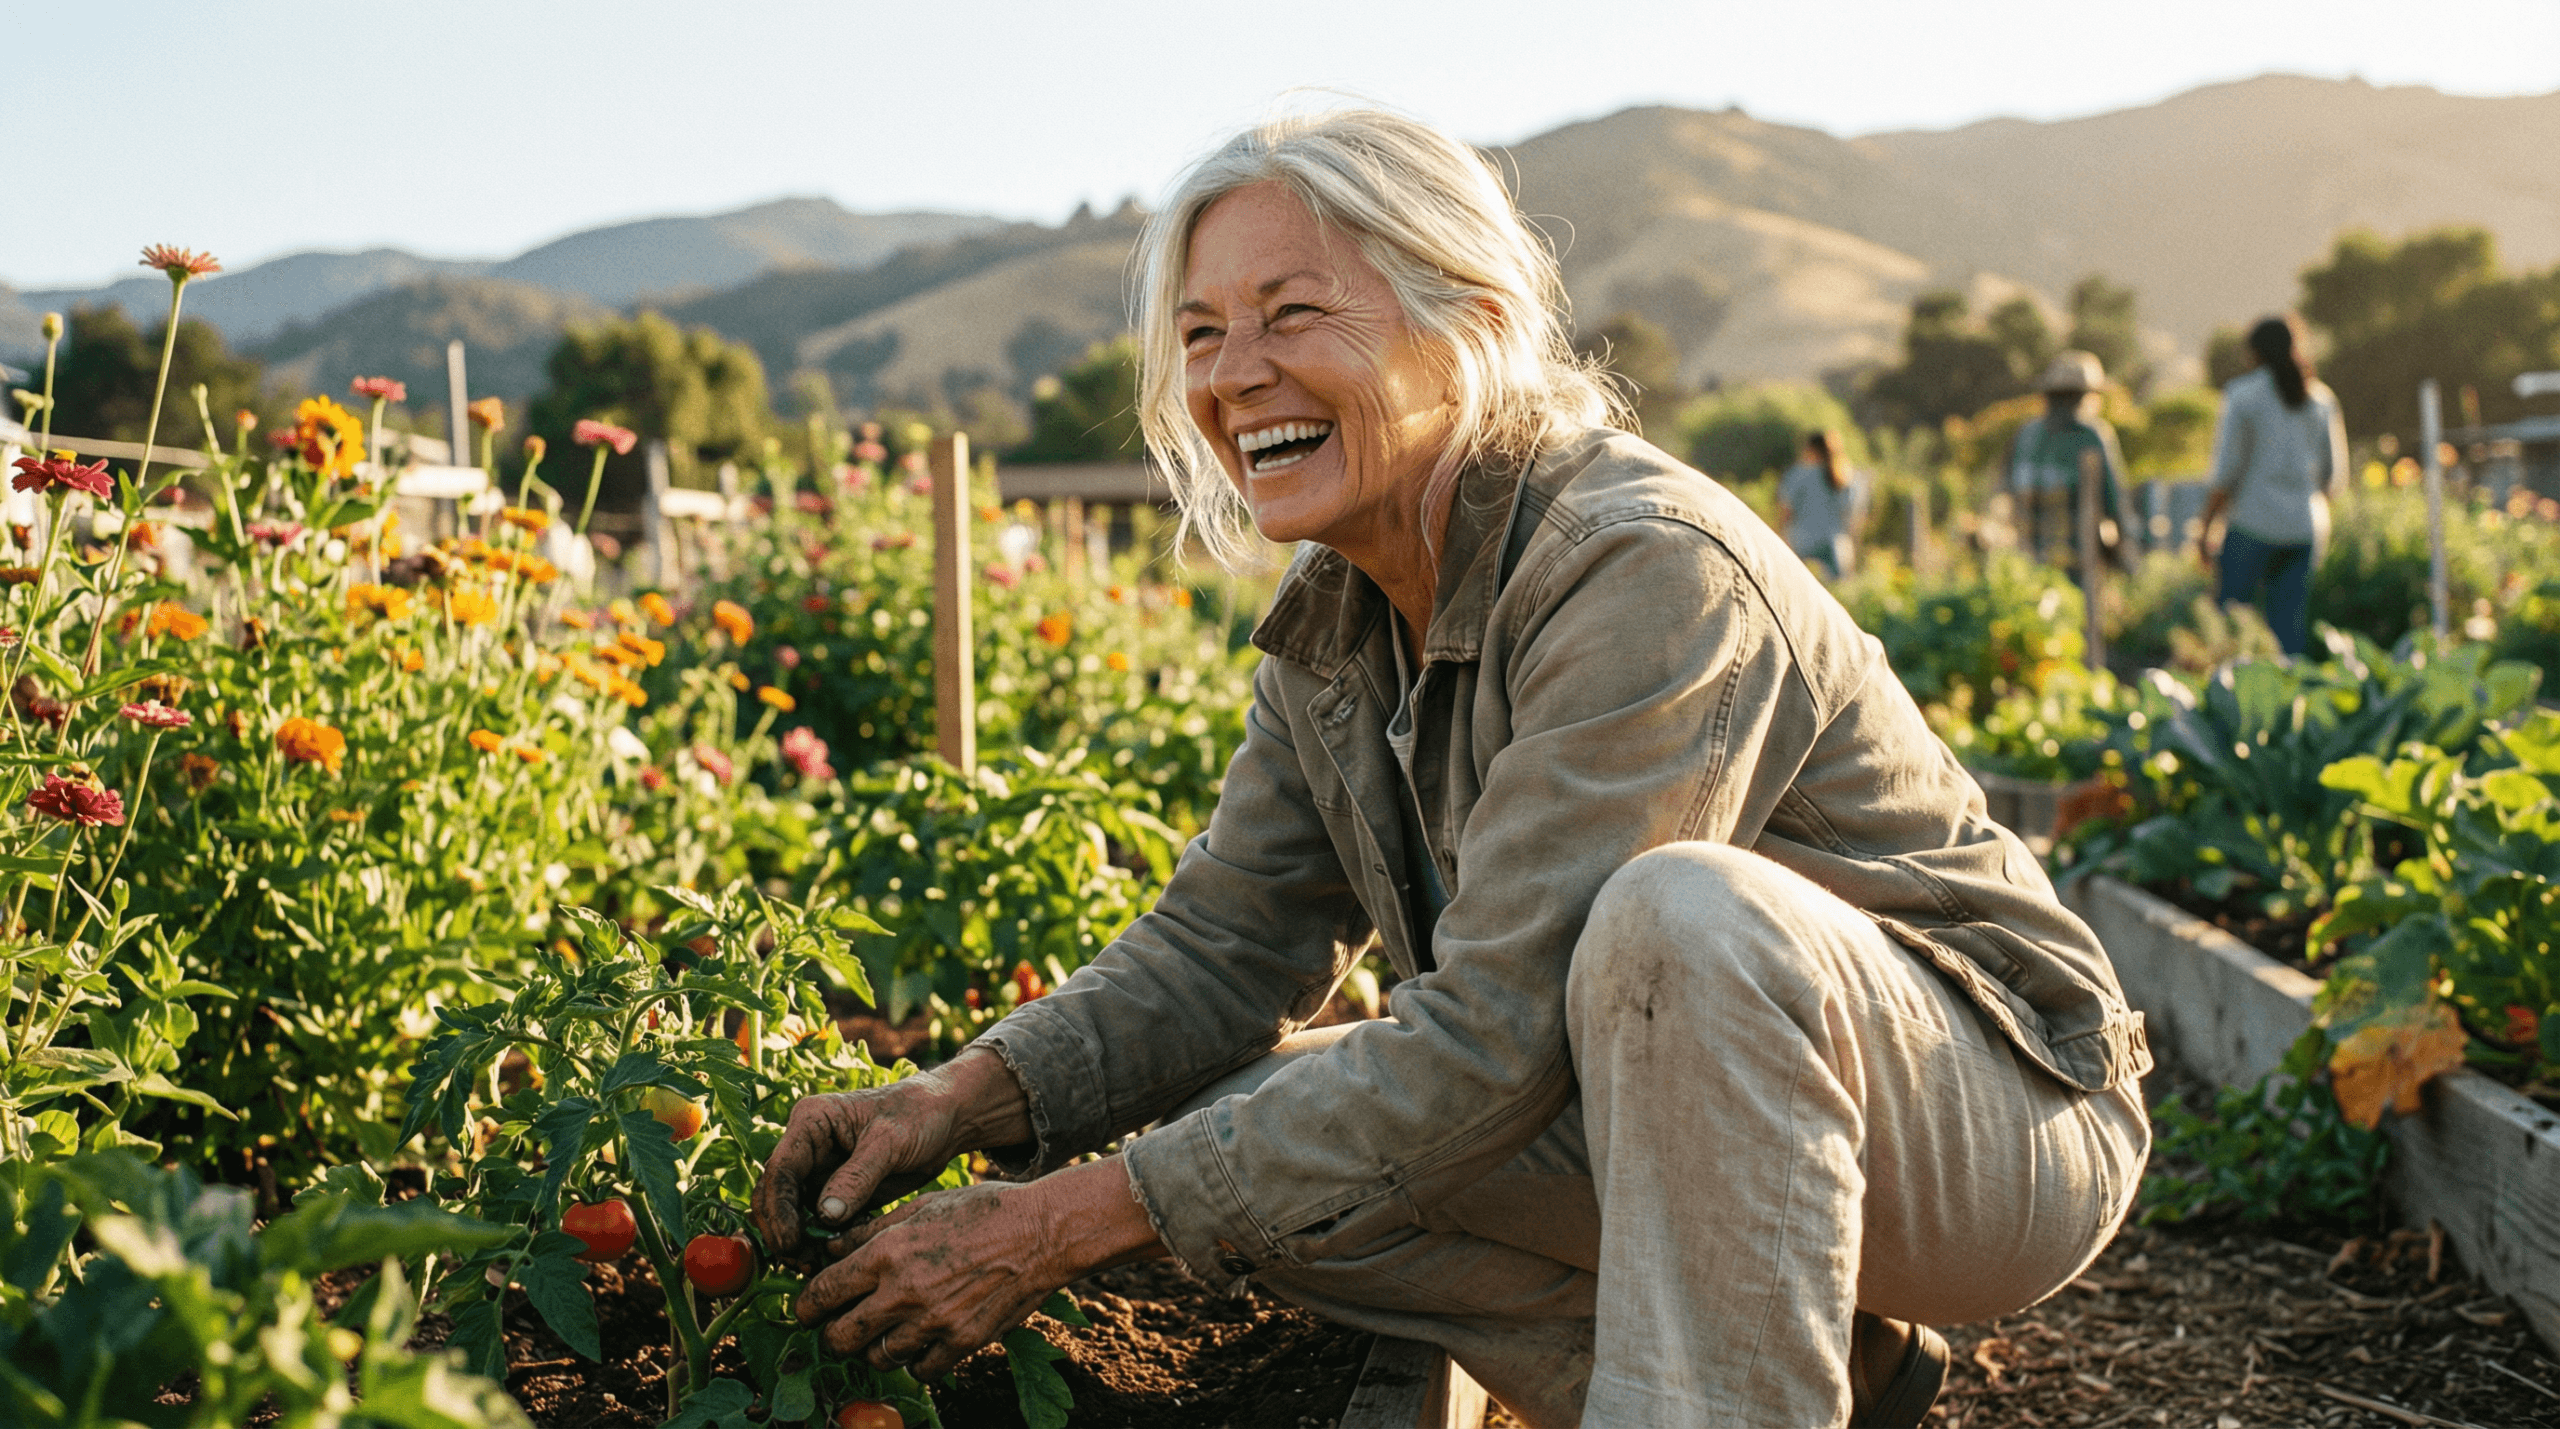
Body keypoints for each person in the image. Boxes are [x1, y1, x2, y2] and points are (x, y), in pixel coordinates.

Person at [753, 110, 2151, 1428]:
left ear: (1469, 325)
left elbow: (1496, 1036)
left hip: (1992, 1115)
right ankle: (1818, 1366)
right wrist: (954, 1098)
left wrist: (1054, 1222)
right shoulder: (1336, 620)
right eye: (1202, 333)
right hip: (1679, 1107)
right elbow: (1223, 948)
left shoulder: (1640, 568)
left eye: (1292, 313)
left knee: (1680, 920)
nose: (1233, 375)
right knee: (1223, 1129)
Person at [2199, 315, 2347, 655]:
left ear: (2255, 353)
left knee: (2232, 626)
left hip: (2251, 524)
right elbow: (2334, 479)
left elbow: (2227, 472)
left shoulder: (2243, 395)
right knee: (2288, 631)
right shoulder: (2320, 399)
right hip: (2304, 528)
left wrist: (2206, 527)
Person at [2005, 351, 2129, 573]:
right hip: (2076, 563)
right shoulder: (2091, 435)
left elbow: (2006, 489)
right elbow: (2115, 503)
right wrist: (2128, 551)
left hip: (2027, 564)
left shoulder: (2026, 434)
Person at [1776, 429, 1867, 580]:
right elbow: (1853, 521)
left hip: (1802, 548)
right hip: (1836, 549)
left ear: (1811, 449)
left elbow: (1786, 514)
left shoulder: (1798, 474)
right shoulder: (1848, 478)